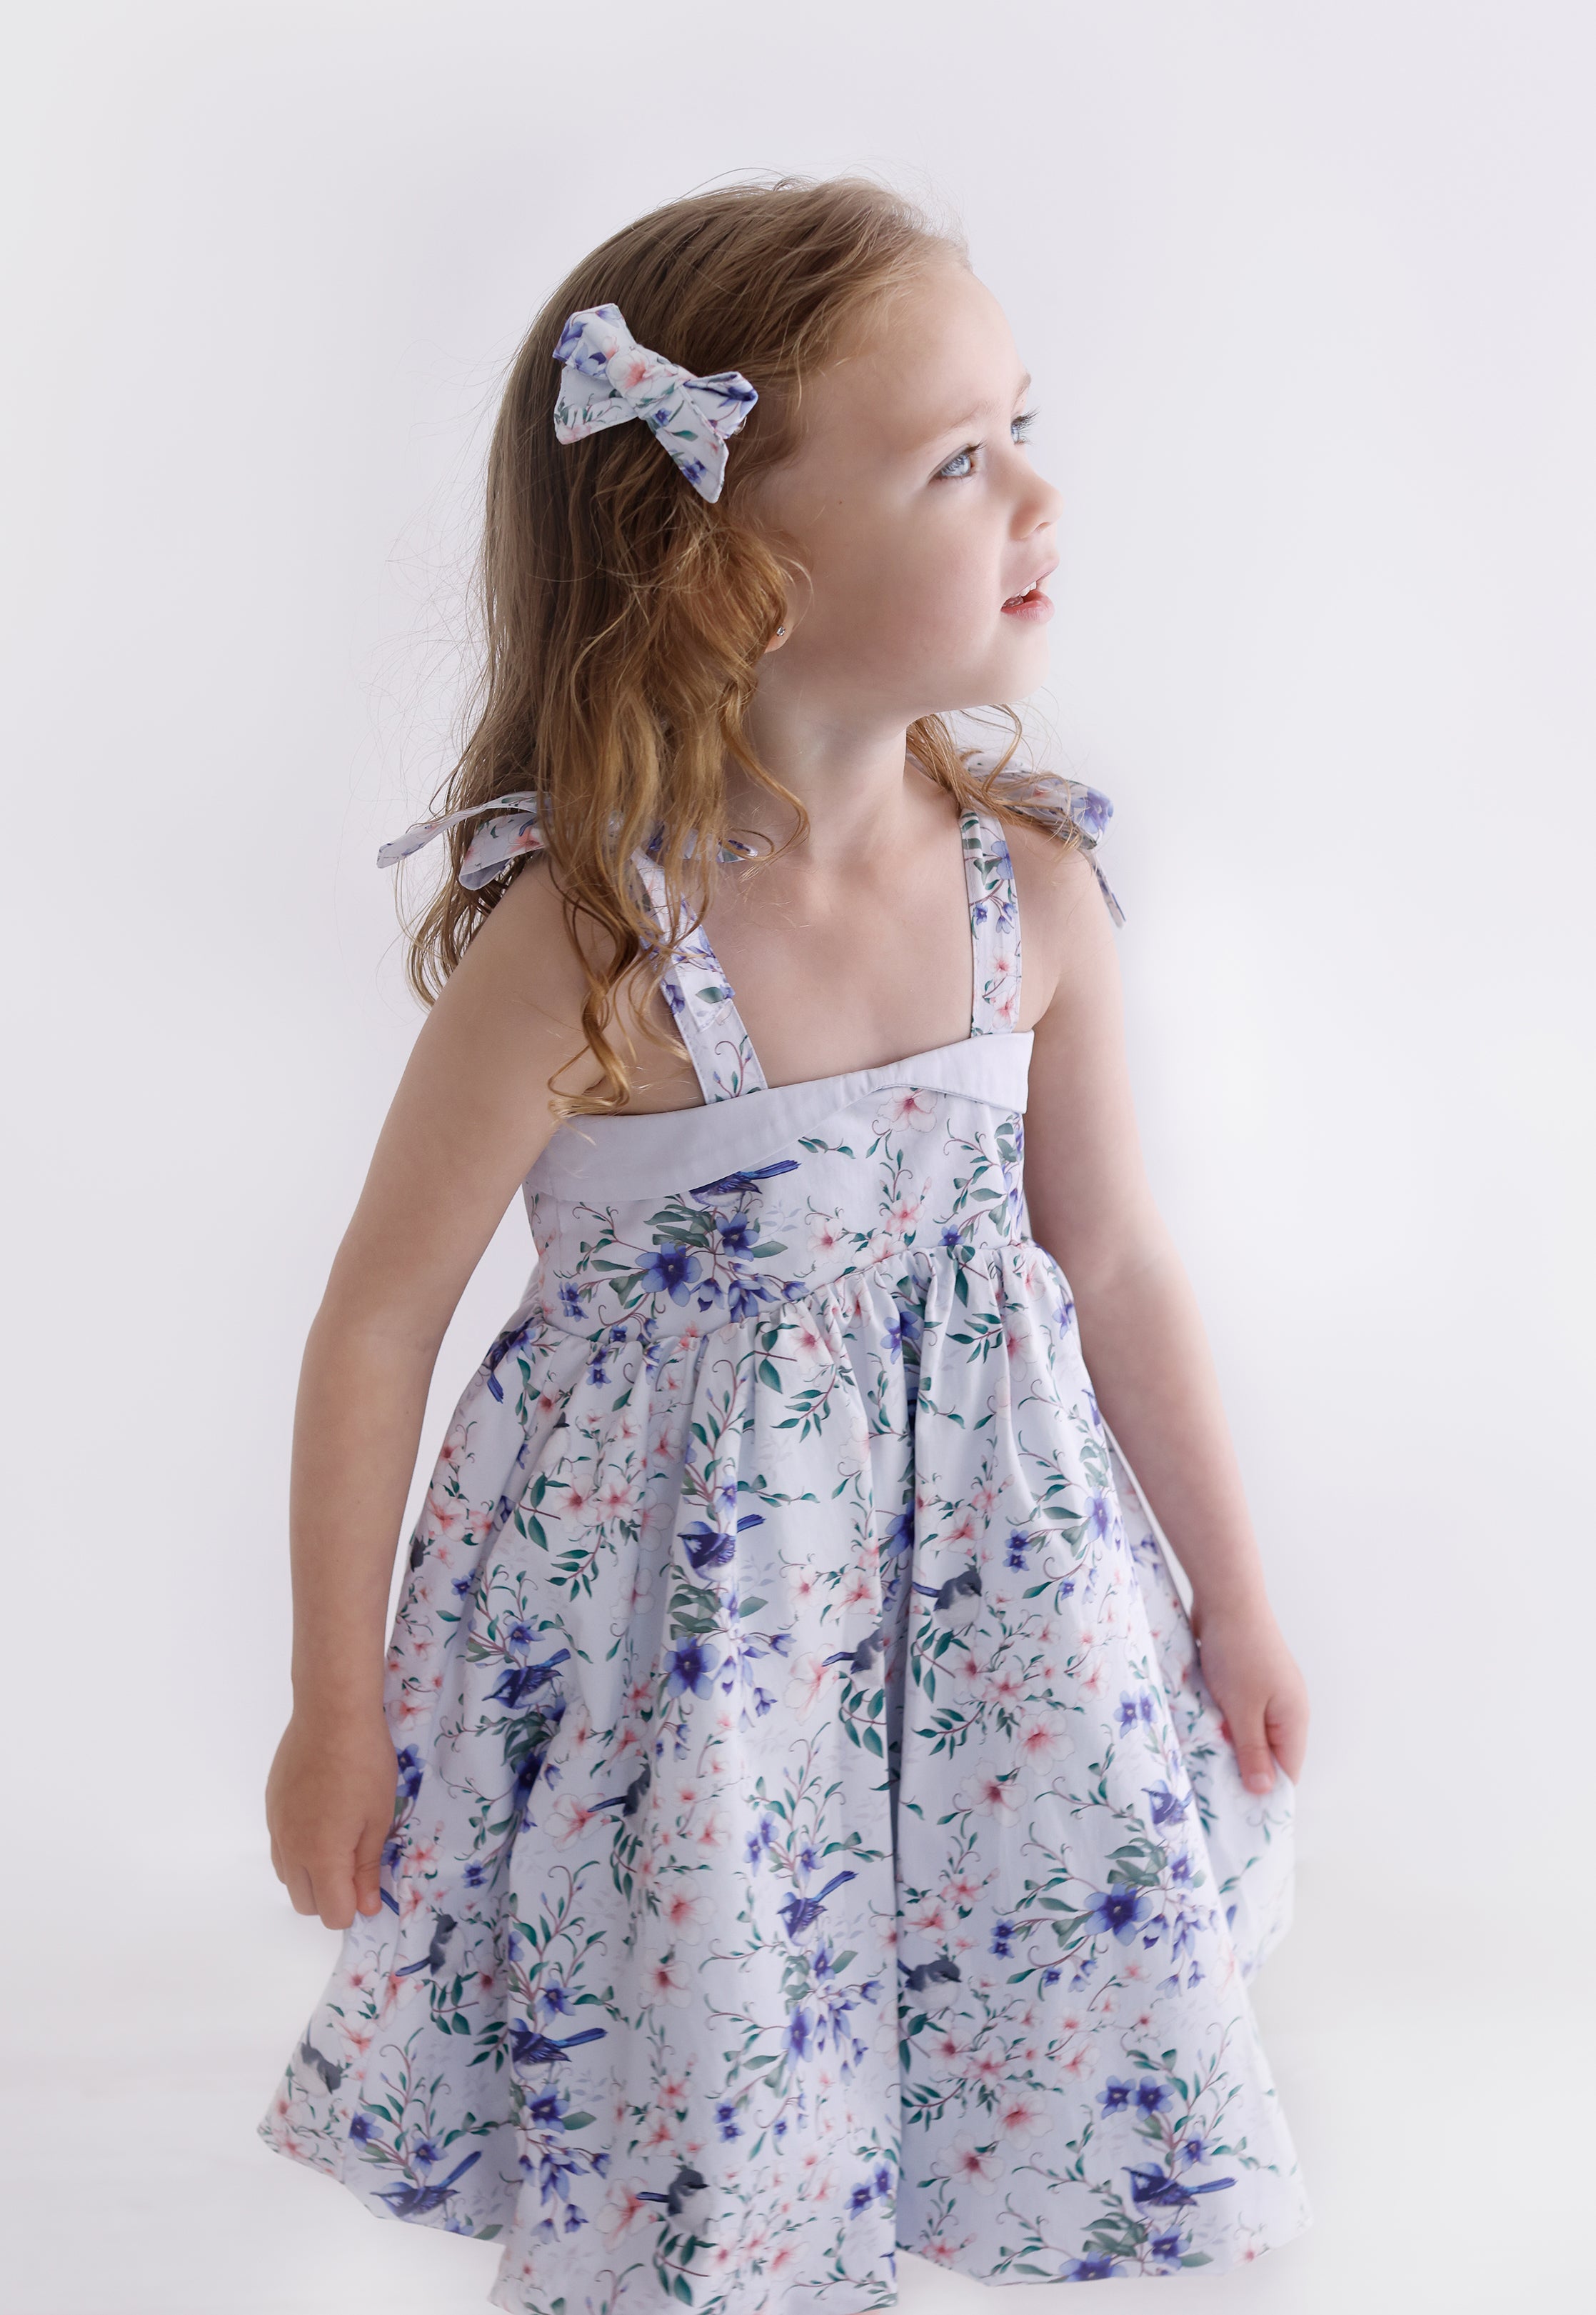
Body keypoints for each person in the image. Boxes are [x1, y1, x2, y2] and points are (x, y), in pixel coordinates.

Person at [259, 175, 1313, 2308]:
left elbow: (1108, 1264)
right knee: (717, 2070)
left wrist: (1234, 1596)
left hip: (988, 1607)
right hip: (696, 1638)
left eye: (1021, 423)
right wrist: (334, 1702)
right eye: (955, 459)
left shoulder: (1033, 891)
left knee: (981, 1992)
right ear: (730, 567)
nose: (1033, 488)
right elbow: (380, 1311)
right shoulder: (590, 932)